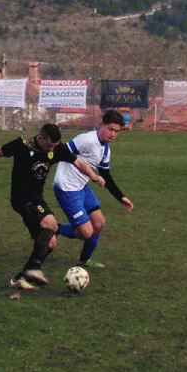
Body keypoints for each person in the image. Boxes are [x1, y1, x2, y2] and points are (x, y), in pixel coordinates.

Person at [0, 123, 105, 290]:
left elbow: (78, 162)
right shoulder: (21, 145)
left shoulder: (57, 149)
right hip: (21, 197)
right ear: (40, 138)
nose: (52, 149)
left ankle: (20, 277)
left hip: (36, 197)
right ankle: (34, 268)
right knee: (51, 224)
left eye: (55, 146)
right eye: (49, 145)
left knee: (50, 242)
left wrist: (93, 175)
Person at [53, 109, 134, 269]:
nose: (113, 134)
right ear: (101, 125)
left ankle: (85, 260)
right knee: (85, 233)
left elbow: (106, 175)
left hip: (82, 186)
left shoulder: (105, 149)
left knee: (99, 224)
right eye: (110, 129)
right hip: (67, 187)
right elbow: (61, 151)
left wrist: (121, 197)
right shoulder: (86, 140)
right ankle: (52, 229)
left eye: (117, 131)